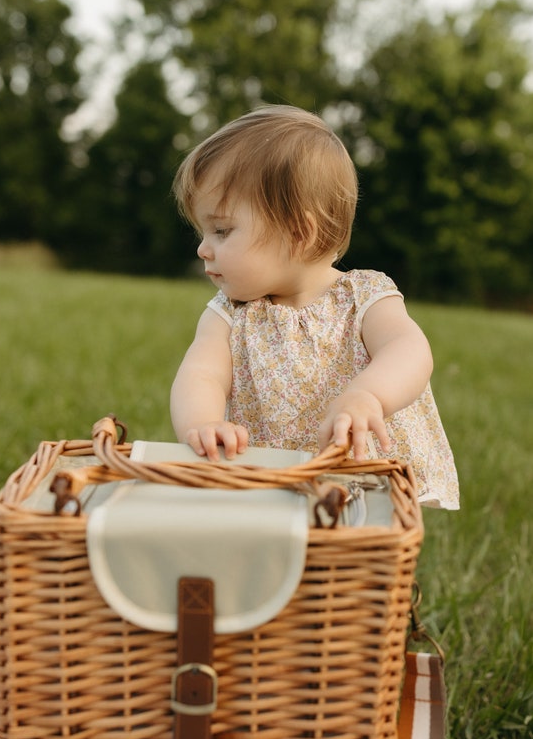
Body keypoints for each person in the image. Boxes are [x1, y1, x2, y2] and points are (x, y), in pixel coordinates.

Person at [170, 105, 459, 509]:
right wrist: (202, 424)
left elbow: (408, 349)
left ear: (298, 233)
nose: (203, 248)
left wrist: (367, 396)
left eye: (221, 230)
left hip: (358, 479)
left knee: (361, 564)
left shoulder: (363, 296)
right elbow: (201, 374)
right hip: (270, 484)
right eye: (204, 232)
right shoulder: (229, 314)